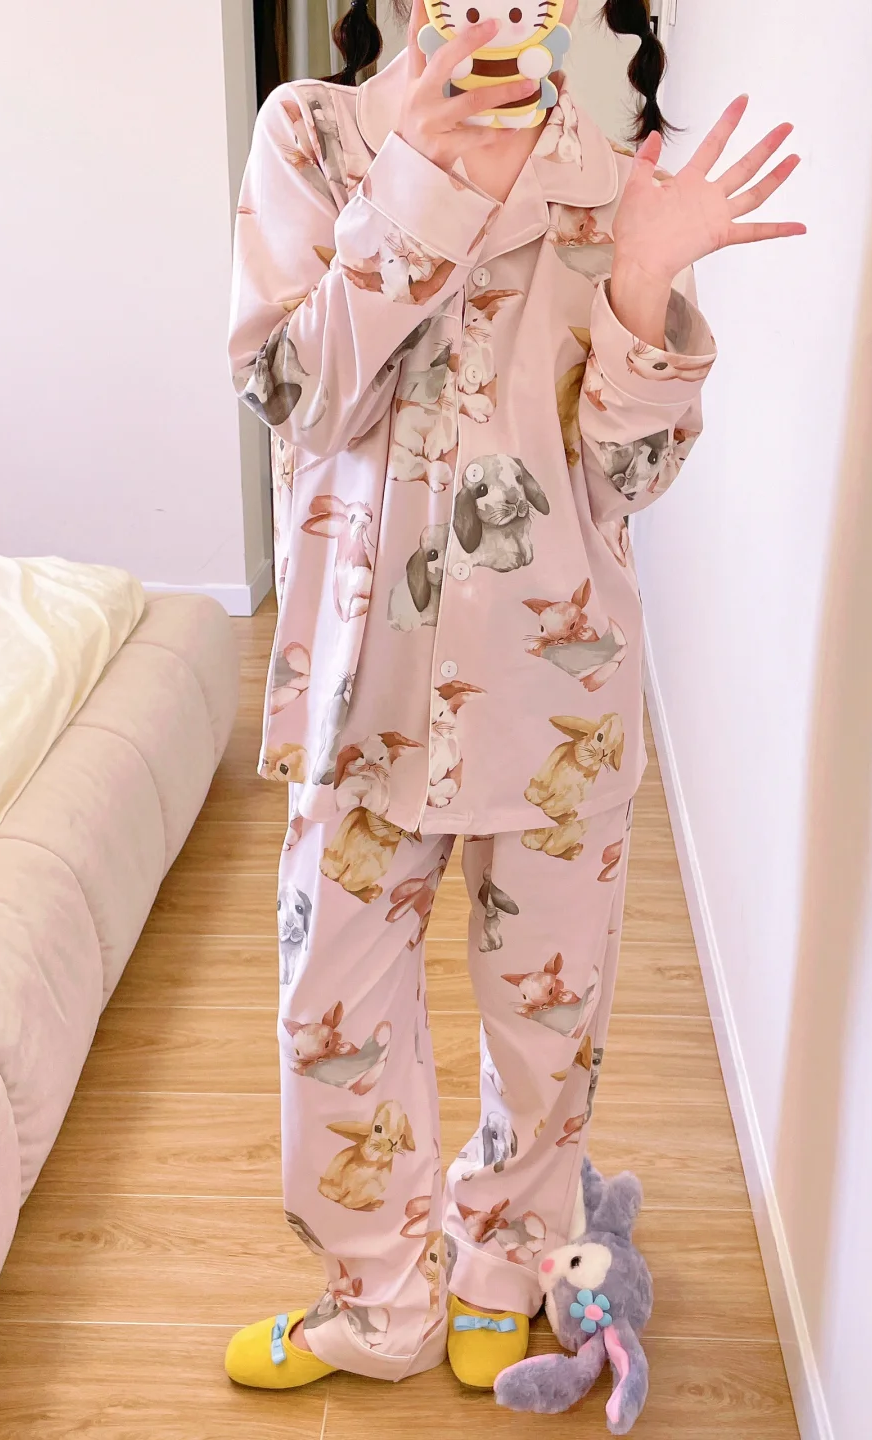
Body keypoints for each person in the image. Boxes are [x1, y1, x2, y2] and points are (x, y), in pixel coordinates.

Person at [224, 0, 803, 1396]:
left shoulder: (613, 184)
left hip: (558, 699)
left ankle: (508, 1257)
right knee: (330, 1014)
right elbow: (292, 390)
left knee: (549, 1028)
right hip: (361, 694)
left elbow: (628, 477)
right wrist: (418, 188)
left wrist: (643, 283)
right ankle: (378, 1302)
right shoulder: (313, 138)